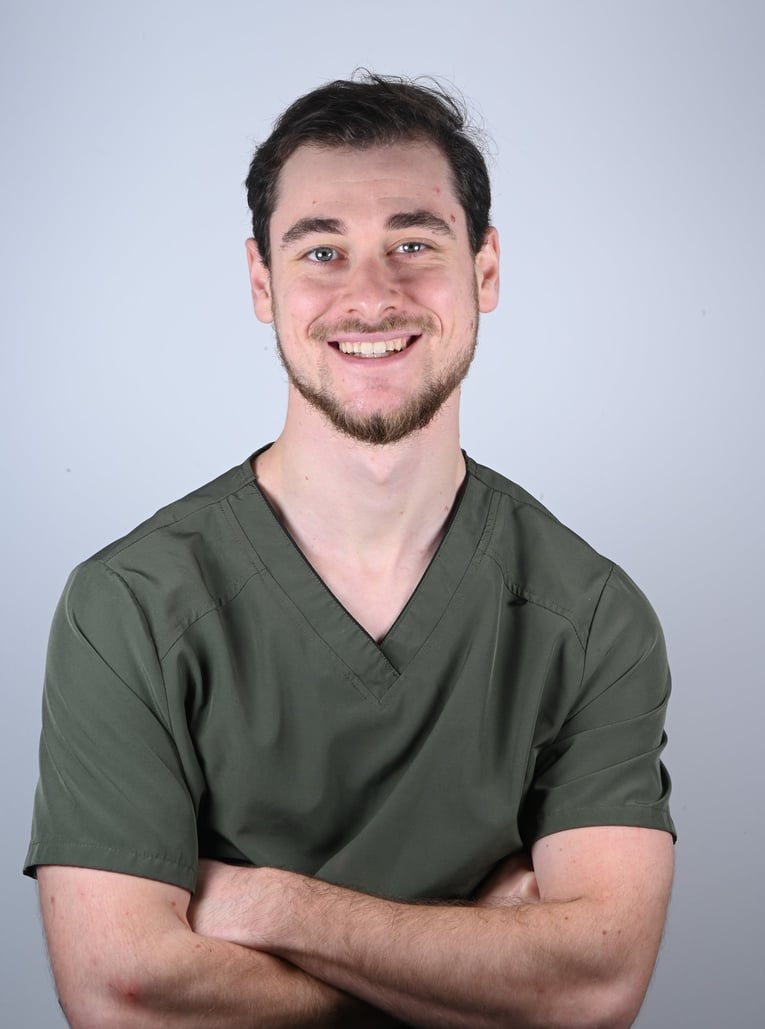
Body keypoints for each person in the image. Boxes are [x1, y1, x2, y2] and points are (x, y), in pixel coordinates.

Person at [25, 73, 675, 1029]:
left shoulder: (591, 616)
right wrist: (476, 959)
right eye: (321, 251)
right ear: (263, 283)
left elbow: (592, 987)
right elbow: (123, 992)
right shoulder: (129, 603)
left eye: (414, 244)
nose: (371, 295)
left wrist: (264, 904)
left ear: (485, 270)